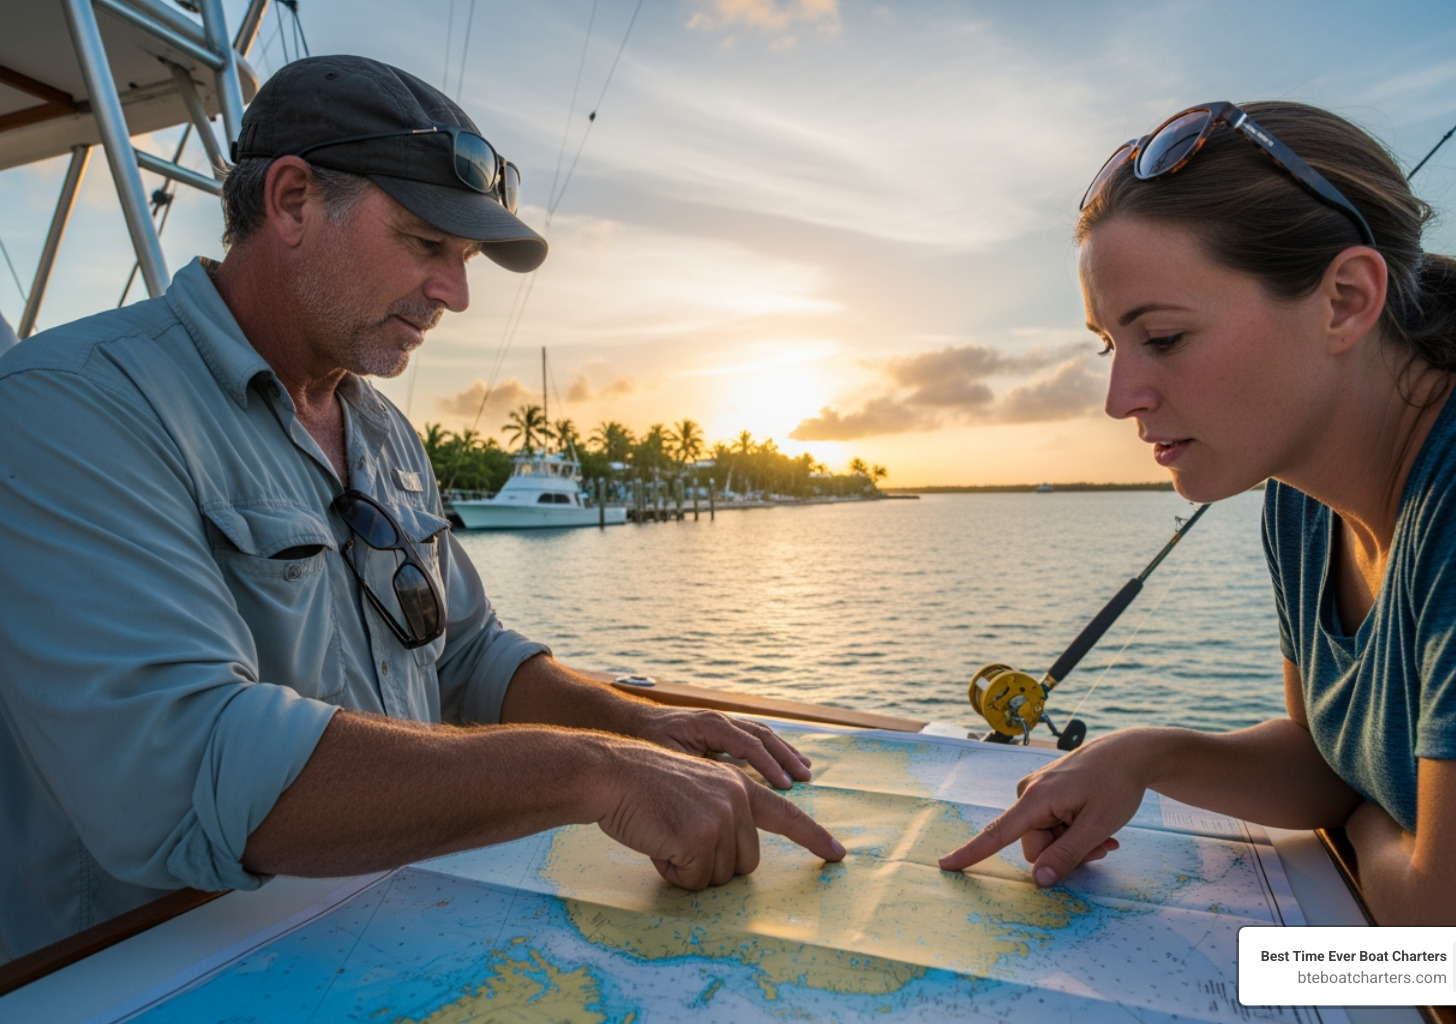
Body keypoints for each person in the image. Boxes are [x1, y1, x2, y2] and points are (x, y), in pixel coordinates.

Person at [0, 55, 843, 966]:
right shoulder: (68, 407)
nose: (457, 293)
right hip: (140, 975)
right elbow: (183, 768)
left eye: (467, 259)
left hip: (367, 937)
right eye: (424, 243)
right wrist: (593, 771)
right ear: (290, 202)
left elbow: (467, 658)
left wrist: (632, 724)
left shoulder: (385, 435)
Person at [938, 101, 1456, 1022]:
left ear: (1346, 300)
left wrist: (1367, 821)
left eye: (1163, 338)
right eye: (1110, 346)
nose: (1119, 397)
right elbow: (1323, 759)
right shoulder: (1300, 491)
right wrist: (1142, 754)